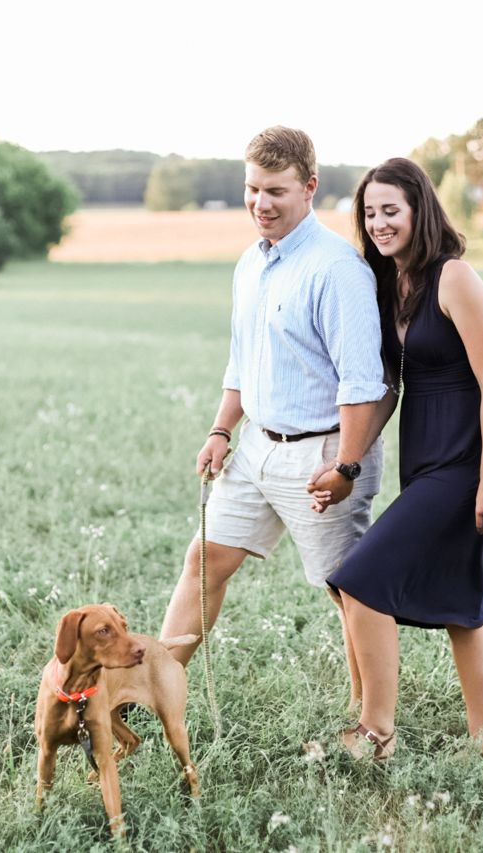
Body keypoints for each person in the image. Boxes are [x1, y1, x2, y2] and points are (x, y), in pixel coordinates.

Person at [159, 127, 388, 713]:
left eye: (277, 191)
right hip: (256, 447)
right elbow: (245, 359)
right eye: (252, 189)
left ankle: (370, 725)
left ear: (309, 187)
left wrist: (347, 466)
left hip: (323, 456)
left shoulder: (337, 269)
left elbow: (364, 385)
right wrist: (220, 430)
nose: (261, 204)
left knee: (350, 593)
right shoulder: (249, 264)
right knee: (205, 561)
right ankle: (154, 689)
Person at [317, 157, 483, 760]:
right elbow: (390, 390)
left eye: (390, 211)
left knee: (361, 581)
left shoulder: (454, 278)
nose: (378, 223)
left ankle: (375, 733)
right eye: (369, 213)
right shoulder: (390, 286)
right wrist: (349, 465)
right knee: (462, 611)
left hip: (462, 467)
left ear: (419, 209)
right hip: (424, 463)